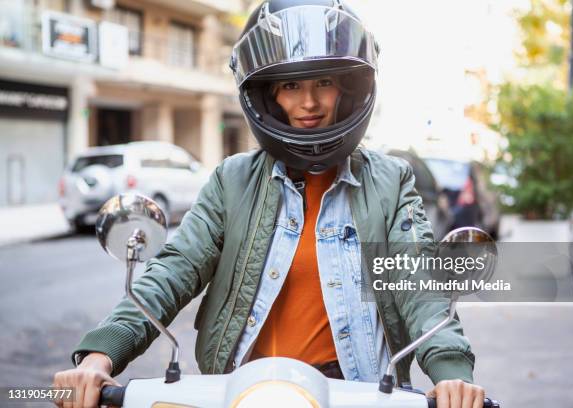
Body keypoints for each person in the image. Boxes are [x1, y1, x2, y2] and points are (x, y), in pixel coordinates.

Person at [53, 1, 485, 407]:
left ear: (347, 89)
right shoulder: (232, 180)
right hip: (244, 388)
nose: (309, 102)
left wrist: (451, 372)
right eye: (291, 85)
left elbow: (419, 284)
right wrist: (100, 355)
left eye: (324, 82)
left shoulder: (391, 181)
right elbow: (173, 270)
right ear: (267, 95)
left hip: (357, 391)